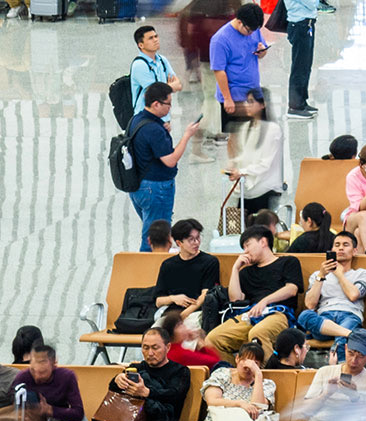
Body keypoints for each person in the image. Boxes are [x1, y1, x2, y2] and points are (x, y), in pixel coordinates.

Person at [204, 225, 302, 357]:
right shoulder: (247, 272)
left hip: (279, 313)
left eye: (247, 245)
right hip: (251, 314)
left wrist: (265, 301)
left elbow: (292, 289)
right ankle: (237, 373)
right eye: (243, 248)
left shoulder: (288, 261)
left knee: (257, 333)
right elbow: (235, 299)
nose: (245, 251)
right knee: (212, 340)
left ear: (263, 242)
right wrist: (235, 269)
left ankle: (268, 375)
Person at [125, 83, 201, 251]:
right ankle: (148, 272)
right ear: (156, 104)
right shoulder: (153, 129)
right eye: (168, 104)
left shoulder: (137, 119)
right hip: (156, 189)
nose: (170, 108)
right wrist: (187, 135)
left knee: (150, 228)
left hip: (139, 186)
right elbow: (171, 160)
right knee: (156, 237)